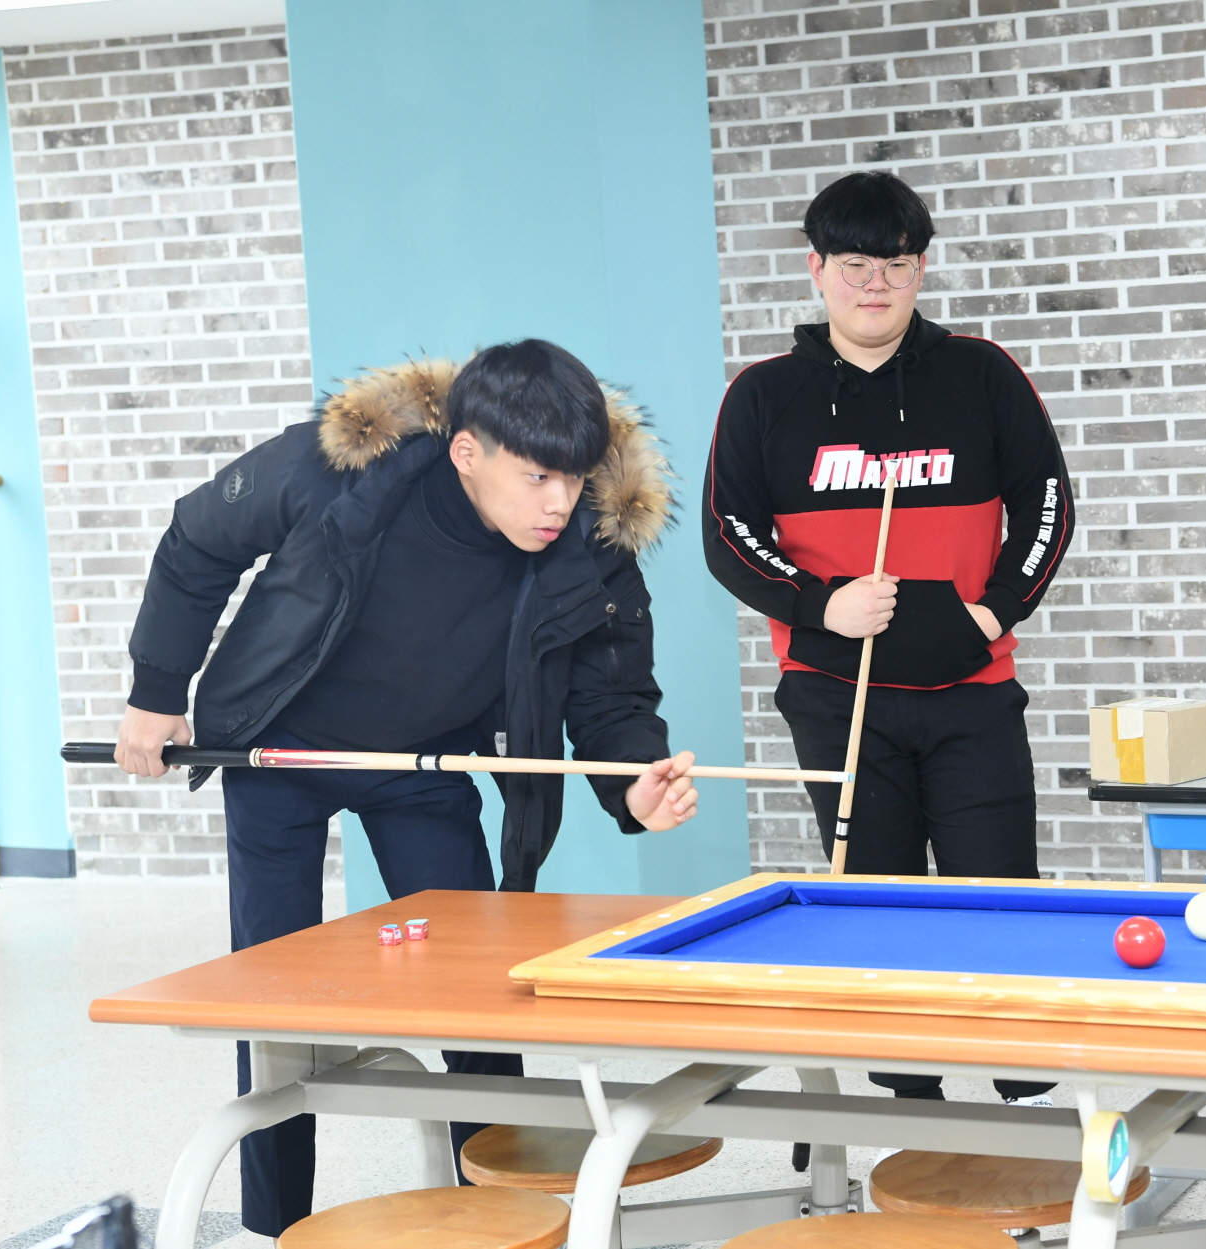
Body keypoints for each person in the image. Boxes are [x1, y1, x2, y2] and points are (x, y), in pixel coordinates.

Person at [115, 340, 698, 1237]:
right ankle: (276, 1227)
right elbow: (199, 537)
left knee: (477, 995)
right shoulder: (339, 467)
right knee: (272, 1009)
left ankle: (507, 1216)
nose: (559, 503)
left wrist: (633, 786)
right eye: (538, 476)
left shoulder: (590, 542)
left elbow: (610, 692)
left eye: (575, 479)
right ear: (468, 451)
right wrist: (156, 693)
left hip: (426, 760)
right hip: (282, 751)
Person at [702, 170, 1073, 1104]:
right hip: (837, 698)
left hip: (971, 691)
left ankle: (1021, 1101)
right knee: (879, 899)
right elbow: (726, 534)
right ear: (816, 270)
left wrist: (995, 609)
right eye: (856, 264)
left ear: (920, 271)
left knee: (999, 896)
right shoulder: (761, 395)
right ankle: (914, 1103)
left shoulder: (981, 373)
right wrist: (817, 603)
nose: (876, 284)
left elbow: (1047, 504)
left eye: (897, 265)